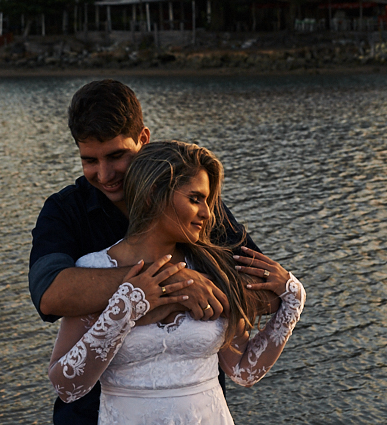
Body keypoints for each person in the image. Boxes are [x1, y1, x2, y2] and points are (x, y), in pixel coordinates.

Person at [29, 79, 262, 424]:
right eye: (89, 160)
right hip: (89, 413)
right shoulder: (64, 211)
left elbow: (263, 289)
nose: (104, 174)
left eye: (116, 155)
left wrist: (196, 290)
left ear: (144, 139)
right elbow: (49, 295)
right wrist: (171, 282)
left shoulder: (194, 209)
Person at [46, 140, 306, 424]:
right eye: (195, 199)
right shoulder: (93, 269)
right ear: (153, 194)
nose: (208, 213)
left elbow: (243, 372)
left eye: (208, 200)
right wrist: (127, 308)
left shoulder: (214, 267)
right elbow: (67, 386)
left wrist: (292, 299)